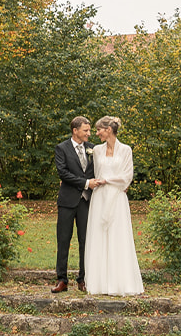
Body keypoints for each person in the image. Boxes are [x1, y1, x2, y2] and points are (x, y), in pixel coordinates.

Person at [83, 115, 143, 296]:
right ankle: (99, 282)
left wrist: (108, 180)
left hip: (117, 197)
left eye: (99, 129)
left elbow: (127, 176)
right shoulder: (97, 151)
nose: (97, 133)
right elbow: (90, 171)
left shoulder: (126, 150)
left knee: (118, 236)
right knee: (99, 235)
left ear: (108, 130)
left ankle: (120, 282)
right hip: (99, 197)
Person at [52, 115, 93, 292]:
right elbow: (63, 173)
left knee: (86, 241)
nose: (89, 134)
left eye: (89, 130)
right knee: (63, 240)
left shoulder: (93, 149)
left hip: (87, 202)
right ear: (75, 131)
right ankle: (62, 280)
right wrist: (85, 183)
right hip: (67, 201)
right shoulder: (61, 148)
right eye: (86, 130)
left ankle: (83, 279)